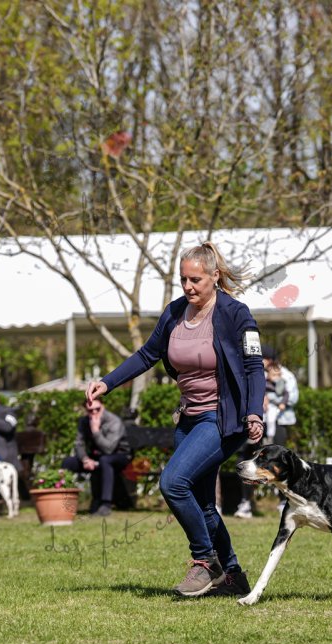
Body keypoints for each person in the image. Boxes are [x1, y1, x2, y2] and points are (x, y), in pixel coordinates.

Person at [87, 241, 265, 598]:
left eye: (195, 280)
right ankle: (232, 576)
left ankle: (205, 561)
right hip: (188, 417)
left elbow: (253, 366)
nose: (188, 286)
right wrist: (107, 382)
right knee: (202, 501)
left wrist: (255, 411)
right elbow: (147, 354)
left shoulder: (235, 314)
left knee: (173, 482)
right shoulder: (174, 312)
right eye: (183, 279)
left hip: (223, 418)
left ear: (214, 276)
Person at [235, 345, 298, 519]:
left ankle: (284, 501)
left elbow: (293, 397)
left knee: (280, 460)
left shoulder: (286, 375)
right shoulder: (253, 373)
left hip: (278, 422)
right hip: (256, 421)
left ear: (270, 360)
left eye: (263, 358)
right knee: (247, 458)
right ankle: (246, 502)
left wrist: (271, 399)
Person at [60, 397, 128, 517]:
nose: (94, 412)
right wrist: (85, 459)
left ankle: (106, 504)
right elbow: (79, 444)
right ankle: (63, 501)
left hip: (118, 455)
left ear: (103, 406)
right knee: (68, 462)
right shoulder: (84, 421)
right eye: (90, 410)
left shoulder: (114, 421)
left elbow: (109, 449)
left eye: (97, 409)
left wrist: (95, 431)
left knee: (104, 461)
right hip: (94, 457)